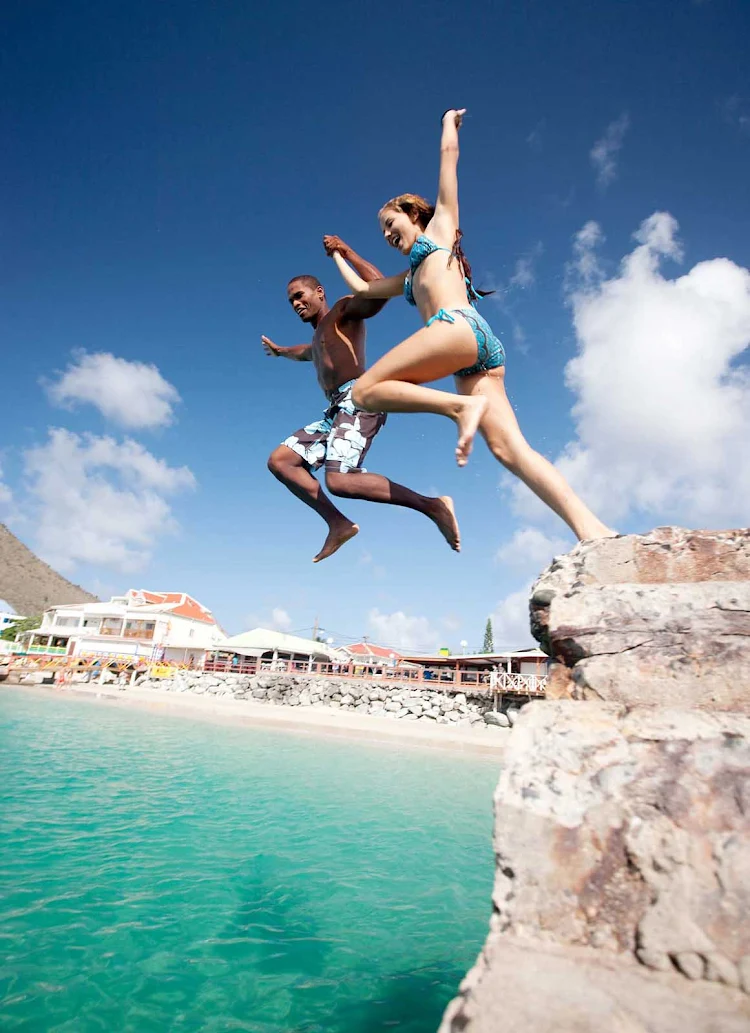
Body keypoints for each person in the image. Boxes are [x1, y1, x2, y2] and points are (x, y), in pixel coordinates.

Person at [328, 111, 614, 542]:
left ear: (411, 213)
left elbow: (448, 158)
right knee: (509, 450)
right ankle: (593, 530)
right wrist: (338, 255)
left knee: (366, 391)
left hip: (456, 328)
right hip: (476, 356)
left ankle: (458, 409)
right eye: (383, 232)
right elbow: (366, 288)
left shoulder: (441, 229)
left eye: (391, 223)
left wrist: (447, 123)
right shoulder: (408, 277)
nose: (388, 234)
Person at [262, 237, 461, 562]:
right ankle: (337, 523)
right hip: (334, 411)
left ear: (319, 292)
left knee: (339, 481)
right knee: (281, 461)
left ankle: (432, 506)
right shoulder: (319, 336)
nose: (296, 304)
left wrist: (345, 251)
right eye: (291, 302)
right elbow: (307, 353)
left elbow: (376, 289)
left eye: (299, 296)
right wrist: (282, 351)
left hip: (360, 398)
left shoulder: (342, 312)